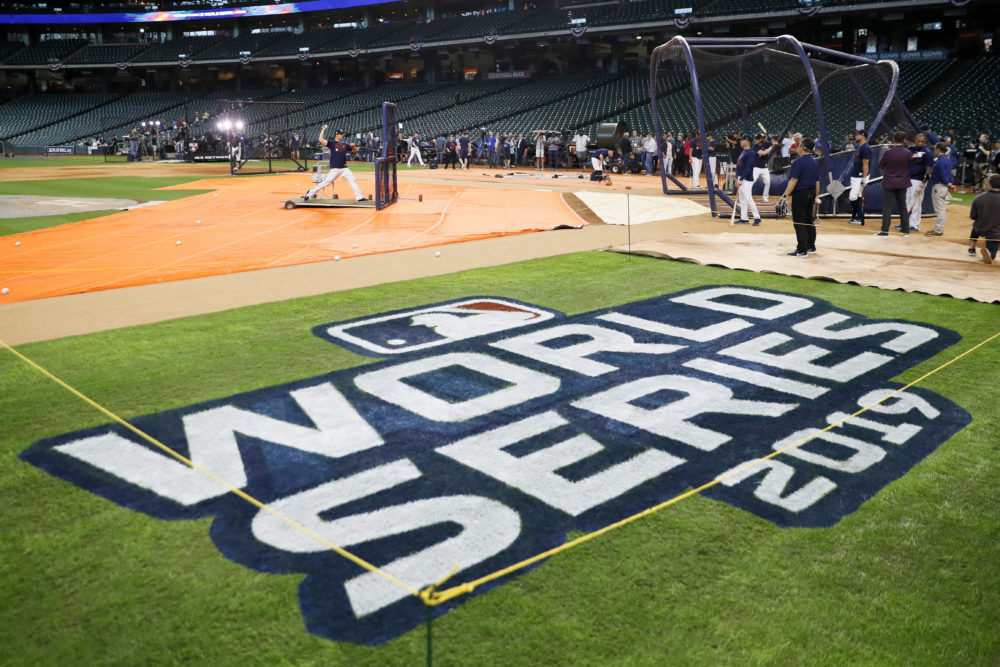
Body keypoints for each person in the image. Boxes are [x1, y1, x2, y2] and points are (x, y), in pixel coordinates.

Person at [778, 137, 821, 256]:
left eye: (799, 146)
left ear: (802, 148)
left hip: (801, 194)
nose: (797, 148)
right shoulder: (815, 161)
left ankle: (802, 250)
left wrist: (784, 196)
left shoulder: (798, 162)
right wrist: (816, 196)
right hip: (811, 192)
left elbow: (793, 180)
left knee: (799, 222)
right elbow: (817, 182)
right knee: (809, 220)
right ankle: (811, 246)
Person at [302, 126, 366, 202]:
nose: (342, 135)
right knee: (326, 182)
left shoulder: (345, 144)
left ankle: (359, 197)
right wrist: (323, 129)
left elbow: (354, 152)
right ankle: (310, 193)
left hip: (344, 168)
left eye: (342, 134)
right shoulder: (332, 143)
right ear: (336, 135)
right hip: (335, 169)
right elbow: (320, 140)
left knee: (353, 180)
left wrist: (354, 146)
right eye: (340, 134)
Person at [874, 130, 912, 237]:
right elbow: (910, 163)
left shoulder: (888, 152)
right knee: (903, 207)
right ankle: (905, 231)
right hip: (902, 183)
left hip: (890, 182)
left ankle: (884, 231)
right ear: (904, 140)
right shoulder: (908, 153)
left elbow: (881, 165)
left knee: (887, 207)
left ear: (893, 140)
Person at [902, 133, 932, 232]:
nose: (920, 143)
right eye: (918, 141)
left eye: (922, 141)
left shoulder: (927, 152)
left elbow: (929, 169)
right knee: (907, 201)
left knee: (916, 204)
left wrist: (924, 181)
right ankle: (906, 223)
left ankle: (915, 225)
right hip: (908, 178)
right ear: (915, 141)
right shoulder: (911, 149)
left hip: (919, 180)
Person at [926, 142, 956, 237]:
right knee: (940, 209)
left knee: (940, 210)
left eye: (935, 149)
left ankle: (938, 230)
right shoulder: (945, 159)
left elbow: (944, 175)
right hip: (942, 186)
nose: (934, 151)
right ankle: (938, 228)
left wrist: (949, 184)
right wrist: (949, 184)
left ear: (938, 149)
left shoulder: (941, 161)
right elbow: (949, 174)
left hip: (939, 186)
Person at [969, 173, 1000, 264]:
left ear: (989, 185)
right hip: (996, 233)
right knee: (991, 257)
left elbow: (972, 216)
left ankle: (972, 248)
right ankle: (991, 253)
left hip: (980, 228)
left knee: (975, 228)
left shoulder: (978, 198)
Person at [735, 135, 761, 225]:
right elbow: (740, 166)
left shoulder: (750, 153)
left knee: (748, 198)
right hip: (741, 177)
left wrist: (741, 178)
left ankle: (757, 218)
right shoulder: (744, 152)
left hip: (746, 179)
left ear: (747, 141)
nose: (740, 142)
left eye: (742, 140)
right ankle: (744, 218)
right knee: (742, 199)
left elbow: (748, 168)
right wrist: (737, 178)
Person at [847, 129, 871, 225]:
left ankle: (857, 216)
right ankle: (858, 217)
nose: (855, 136)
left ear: (862, 136)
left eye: (857, 135)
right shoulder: (859, 146)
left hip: (860, 176)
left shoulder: (866, 148)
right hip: (856, 175)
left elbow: (866, 165)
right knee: (858, 196)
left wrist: (864, 178)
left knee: (853, 197)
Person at [753, 133, 773, 202]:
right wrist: (771, 147)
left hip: (764, 167)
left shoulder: (766, 143)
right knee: (752, 181)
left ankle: (765, 197)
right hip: (756, 167)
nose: (755, 140)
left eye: (757, 139)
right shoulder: (754, 146)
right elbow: (763, 153)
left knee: (768, 182)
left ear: (761, 139)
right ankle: (747, 195)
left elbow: (774, 143)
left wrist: (773, 143)